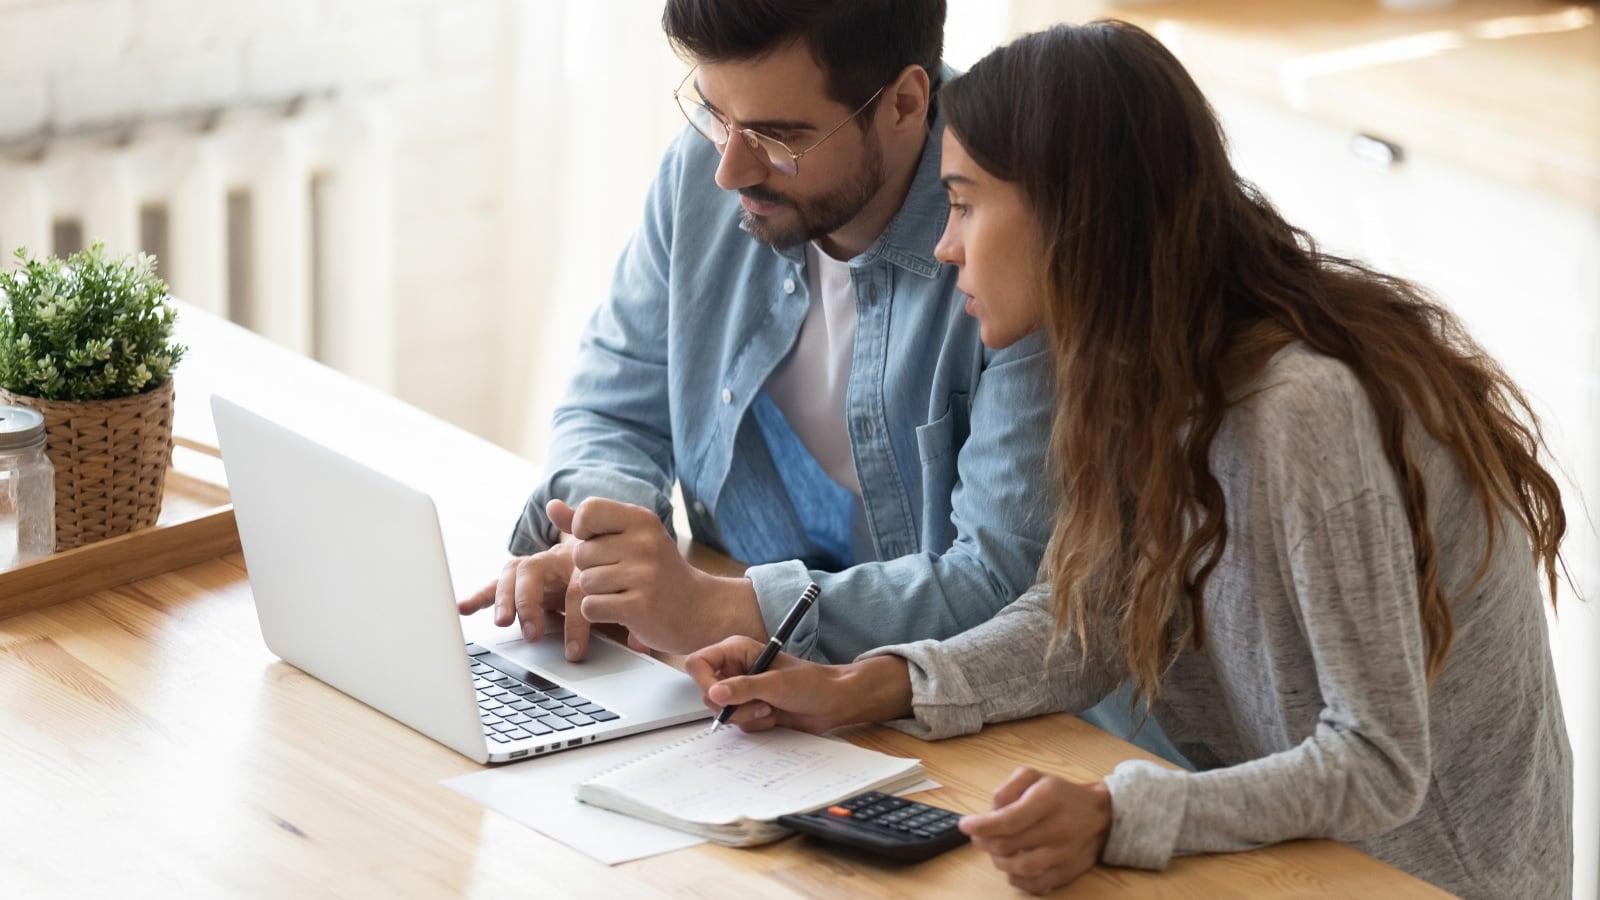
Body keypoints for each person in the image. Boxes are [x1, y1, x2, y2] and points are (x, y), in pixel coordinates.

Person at [685, 20, 1573, 899]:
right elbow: (1087, 622)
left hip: (1422, 878)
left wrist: (1118, 814)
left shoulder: (1300, 409)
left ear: (1077, 216)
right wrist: (862, 687)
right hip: (1288, 858)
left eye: (963, 202)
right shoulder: (1137, 373)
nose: (946, 243)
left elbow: (1378, 764)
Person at [456, 0, 1061, 673]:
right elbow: (615, 403)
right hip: (732, 688)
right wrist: (606, 543)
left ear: (903, 102)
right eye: (715, 113)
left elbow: (1003, 586)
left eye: (778, 137)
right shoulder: (706, 165)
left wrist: (720, 609)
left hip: (945, 713)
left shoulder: (1023, 230)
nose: (729, 171)